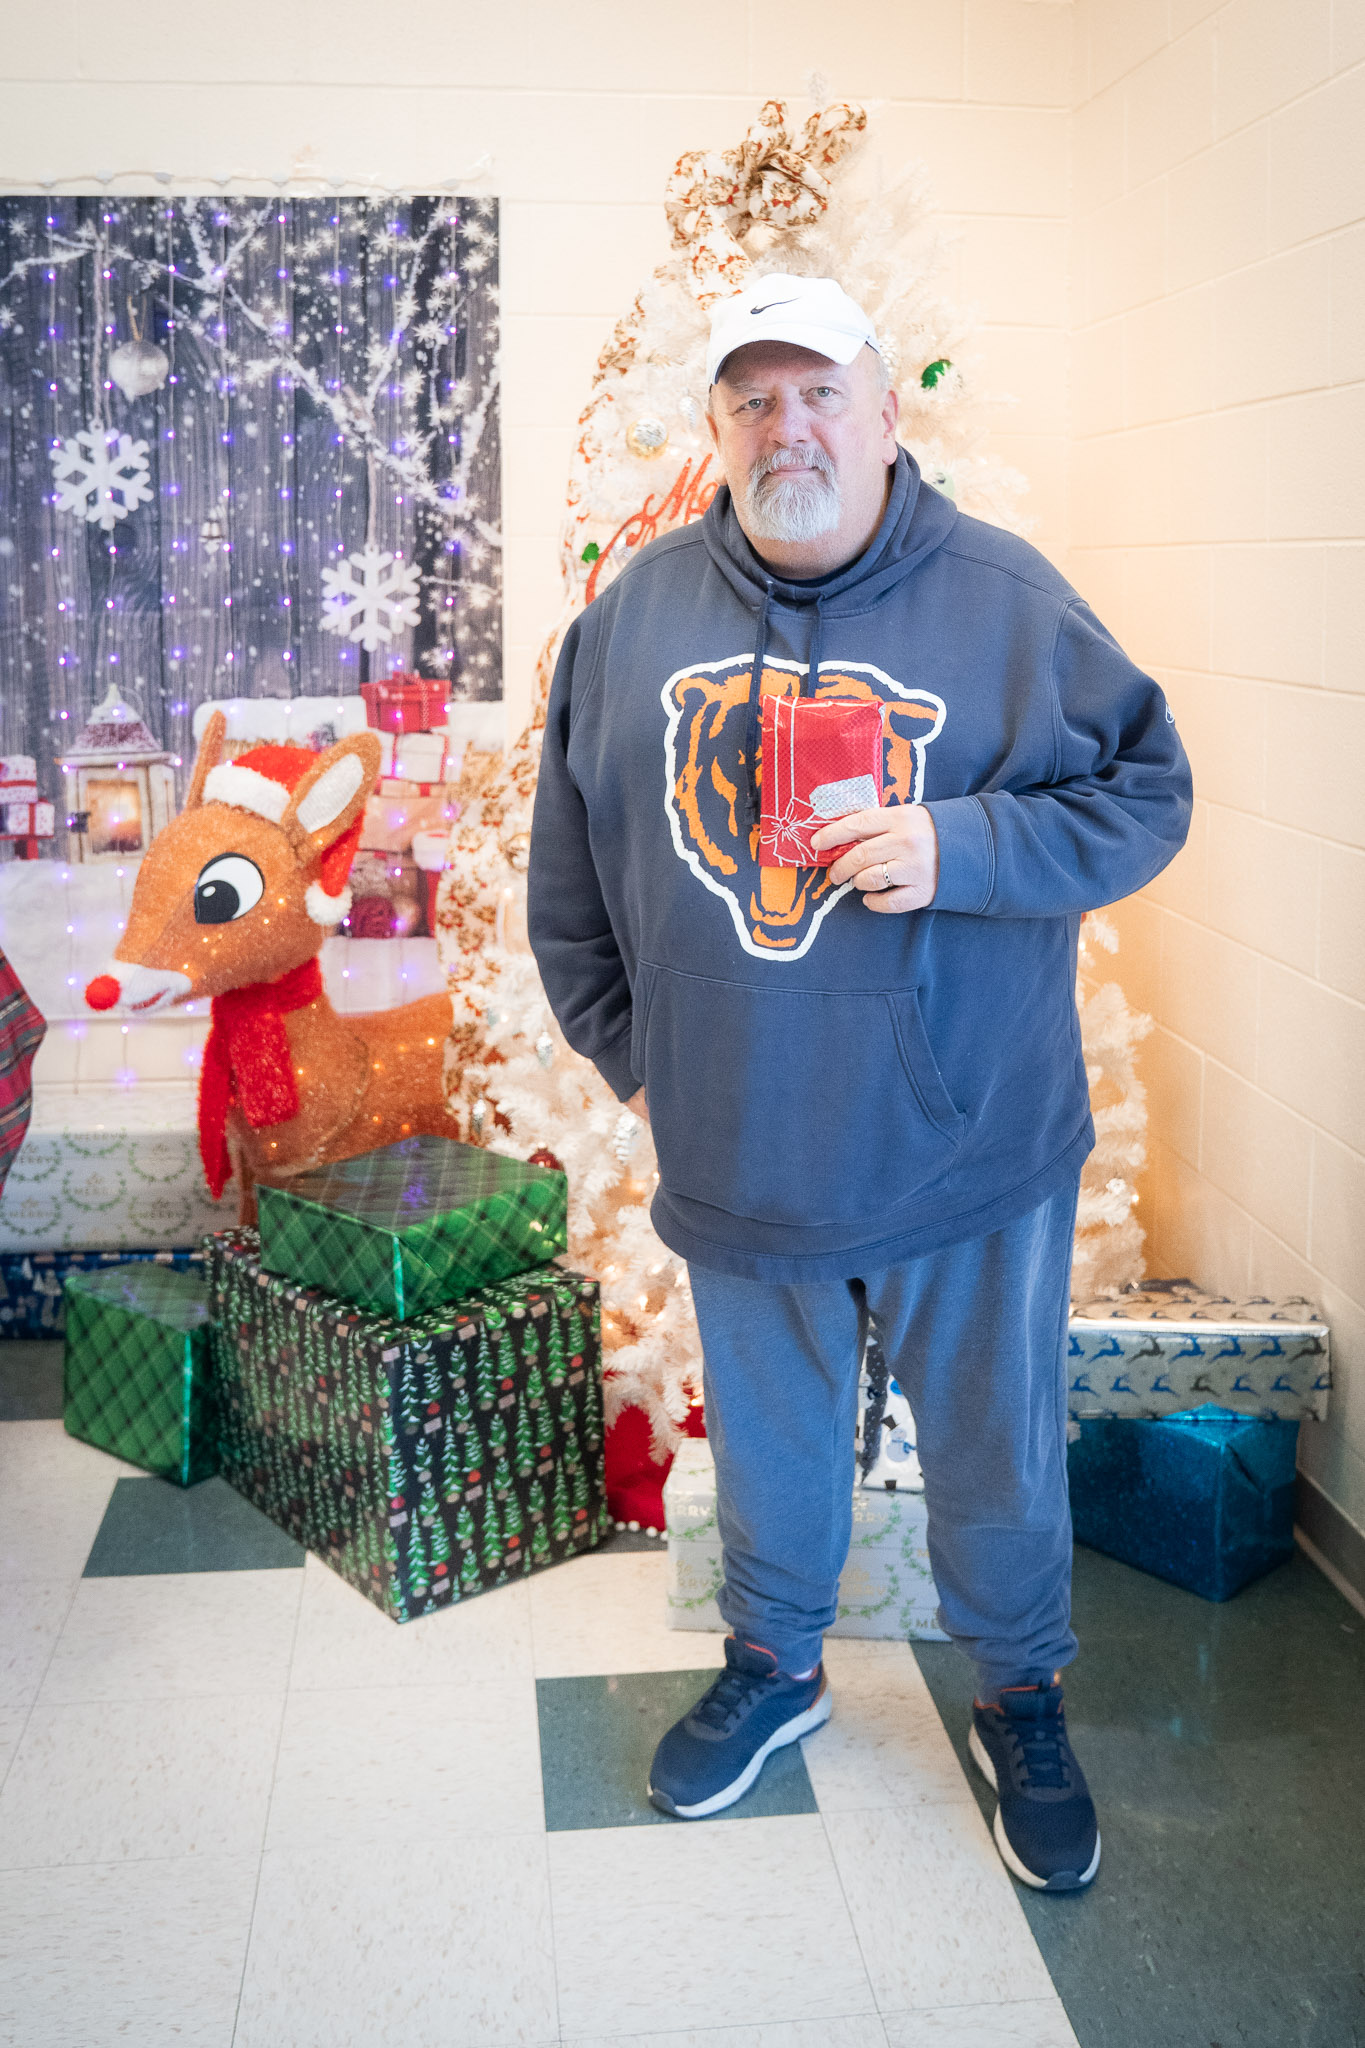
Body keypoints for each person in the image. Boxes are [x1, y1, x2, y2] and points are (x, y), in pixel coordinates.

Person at [528, 272, 1191, 1892]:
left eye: (820, 391)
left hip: (971, 1139)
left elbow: (1146, 793)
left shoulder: (1007, 601)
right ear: (714, 431)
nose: (789, 428)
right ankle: (775, 1668)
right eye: (752, 399)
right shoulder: (631, 621)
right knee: (771, 1445)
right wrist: (643, 1063)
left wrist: (963, 846)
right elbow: (569, 878)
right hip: (742, 1142)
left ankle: (1020, 1695)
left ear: (888, 415)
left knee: (992, 1452)